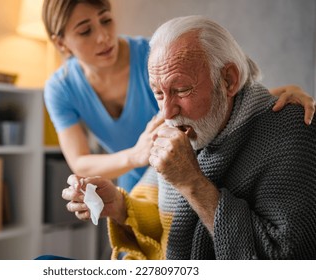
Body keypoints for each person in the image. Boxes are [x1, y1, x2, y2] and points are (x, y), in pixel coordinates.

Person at [62, 15, 316, 259]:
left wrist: (192, 183)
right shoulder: (182, 126)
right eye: (158, 93)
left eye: (181, 90)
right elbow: (161, 215)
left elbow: (286, 258)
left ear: (228, 80)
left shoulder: (290, 131)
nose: (167, 112)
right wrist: (118, 206)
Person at [43, 0, 315, 192]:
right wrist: (136, 156)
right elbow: (79, 162)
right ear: (60, 42)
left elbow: (222, 94)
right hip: (133, 185)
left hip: (184, 176)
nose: (103, 37)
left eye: (106, 20)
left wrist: (281, 93)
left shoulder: (152, 56)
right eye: (86, 30)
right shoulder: (60, 88)